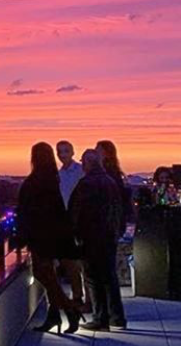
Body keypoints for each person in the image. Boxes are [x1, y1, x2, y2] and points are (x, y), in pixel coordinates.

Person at [18, 142, 81, 333]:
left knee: (43, 273)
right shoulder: (53, 178)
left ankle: (69, 309)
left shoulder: (36, 181)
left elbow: (29, 211)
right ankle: (57, 314)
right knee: (50, 276)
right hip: (56, 235)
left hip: (41, 237)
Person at [70, 149, 126, 331]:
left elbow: (76, 213)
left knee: (93, 278)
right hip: (109, 236)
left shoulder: (85, 184)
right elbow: (119, 210)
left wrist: (75, 235)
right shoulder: (110, 182)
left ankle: (100, 318)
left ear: (87, 163)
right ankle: (117, 317)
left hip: (91, 238)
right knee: (109, 277)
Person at [55, 141, 87, 311]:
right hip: (66, 221)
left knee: (82, 262)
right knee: (70, 263)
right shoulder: (58, 175)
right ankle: (77, 296)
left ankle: (86, 298)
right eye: (60, 151)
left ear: (73, 152)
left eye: (66, 151)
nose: (62, 154)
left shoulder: (81, 171)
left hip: (81, 220)